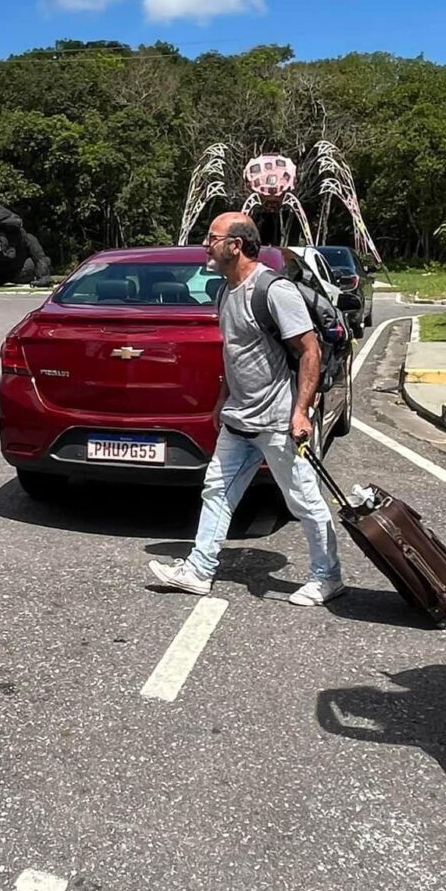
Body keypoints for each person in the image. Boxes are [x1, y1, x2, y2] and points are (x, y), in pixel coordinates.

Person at [147, 213, 345, 607]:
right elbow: (234, 352)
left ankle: (328, 576)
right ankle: (199, 570)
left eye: (212, 238)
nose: (206, 244)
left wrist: (301, 411)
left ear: (235, 245)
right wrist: (223, 400)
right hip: (240, 418)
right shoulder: (225, 292)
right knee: (217, 491)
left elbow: (310, 351)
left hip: (277, 420)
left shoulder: (274, 291)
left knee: (303, 499)